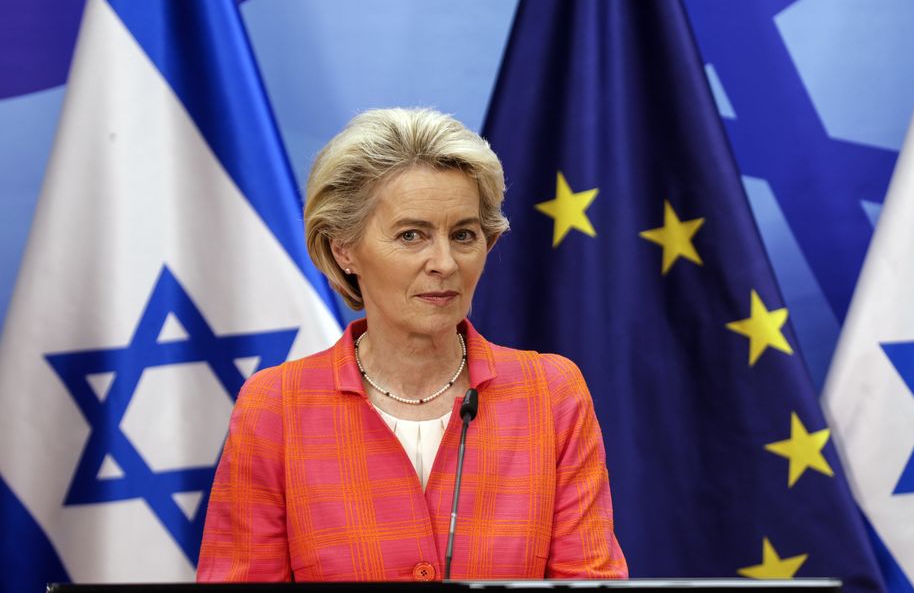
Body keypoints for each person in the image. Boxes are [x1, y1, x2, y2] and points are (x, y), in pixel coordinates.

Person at [197, 108, 626, 581]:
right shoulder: (275, 407)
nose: (443, 262)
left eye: (463, 235)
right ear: (345, 249)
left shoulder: (551, 394)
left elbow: (588, 578)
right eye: (411, 235)